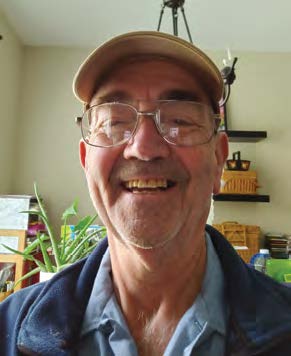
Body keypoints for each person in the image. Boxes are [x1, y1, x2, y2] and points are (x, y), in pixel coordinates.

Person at [1, 31, 291, 356]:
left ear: (219, 160)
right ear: (86, 161)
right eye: (115, 122)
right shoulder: (7, 330)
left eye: (179, 120)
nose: (144, 148)